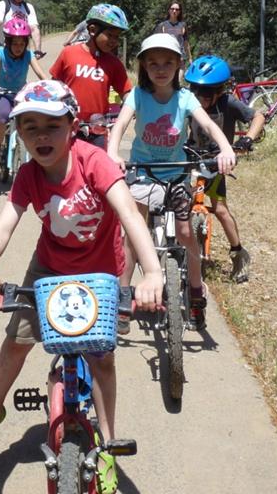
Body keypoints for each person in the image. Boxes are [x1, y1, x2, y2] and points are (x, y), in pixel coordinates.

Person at [0, 80, 164, 493]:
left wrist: (153, 273)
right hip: (49, 267)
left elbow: (129, 214)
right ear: (18, 133)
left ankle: (107, 446)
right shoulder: (27, 176)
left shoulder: (95, 163)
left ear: (72, 126)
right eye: (29, 126)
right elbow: (5, 224)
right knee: (17, 339)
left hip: (102, 269)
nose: (41, 136)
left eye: (52, 125)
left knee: (102, 359)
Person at [106, 35, 237, 333]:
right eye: (153, 63)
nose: (160, 69)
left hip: (176, 173)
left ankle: (194, 292)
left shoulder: (186, 98)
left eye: (167, 62)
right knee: (132, 235)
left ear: (179, 65)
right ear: (143, 66)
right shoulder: (137, 95)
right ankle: (124, 294)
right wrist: (112, 153)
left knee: (185, 231)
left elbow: (208, 124)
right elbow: (120, 126)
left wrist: (225, 148)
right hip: (143, 172)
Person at [185, 55, 264, 283]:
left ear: (220, 91)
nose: (200, 98)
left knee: (219, 210)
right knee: (178, 202)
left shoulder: (228, 103)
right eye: (196, 91)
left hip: (216, 163)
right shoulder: (190, 101)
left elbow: (258, 116)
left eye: (206, 93)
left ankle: (238, 254)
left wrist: (247, 140)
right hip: (191, 159)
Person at [49, 3, 133, 149]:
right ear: (93, 30)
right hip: (68, 127)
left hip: (98, 130)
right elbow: (54, 86)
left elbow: (127, 94)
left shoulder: (114, 63)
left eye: (117, 37)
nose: (114, 41)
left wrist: (134, 107)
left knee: (100, 167)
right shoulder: (69, 54)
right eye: (110, 35)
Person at [0, 18, 48, 166]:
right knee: (3, 117)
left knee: (29, 119)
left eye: (22, 44)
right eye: (15, 44)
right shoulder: (0, 53)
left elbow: (41, 74)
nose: (19, 47)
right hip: (3, 93)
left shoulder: (28, 55)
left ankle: (28, 148)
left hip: (20, 94)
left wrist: (49, 84)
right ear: (8, 42)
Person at [152, 1, 192, 65]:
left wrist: (190, 58)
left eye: (177, 9)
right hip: (166, 59)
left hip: (180, 58)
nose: (174, 11)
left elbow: (186, 43)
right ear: (169, 10)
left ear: (179, 11)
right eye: (172, 9)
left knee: (180, 75)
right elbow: (156, 43)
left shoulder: (183, 25)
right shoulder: (162, 25)